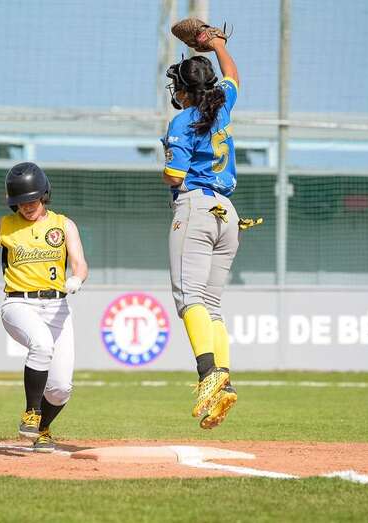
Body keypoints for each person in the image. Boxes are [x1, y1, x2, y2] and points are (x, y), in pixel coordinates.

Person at [0, 162, 88, 453]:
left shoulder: (64, 225)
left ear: (44, 194)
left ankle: (43, 429)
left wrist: (77, 278)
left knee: (61, 388)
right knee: (40, 344)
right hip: (18, 303)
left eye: (33, 199)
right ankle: (31, 411)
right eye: (21, 202)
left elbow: (79, 262)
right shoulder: (4, 225)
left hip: (58, 307)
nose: (27, 206)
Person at [161, 36, 242, 429]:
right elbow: (233, 75)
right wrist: (216, 44)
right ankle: (223, 380)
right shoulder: (222, 104)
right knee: (211, 304)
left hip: (195, 206)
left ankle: (208, 374)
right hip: (227, 211)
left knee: (189, 298)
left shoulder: (182, 119)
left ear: (183, 90)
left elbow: (176, 175)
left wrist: (165, 170)